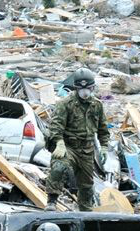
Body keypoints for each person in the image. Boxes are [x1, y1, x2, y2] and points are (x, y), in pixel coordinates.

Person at [45, 68, 107, 211]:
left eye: (88, 88)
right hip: (69, 146)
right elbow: (56, 126)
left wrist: (104, 147)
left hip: (87, 150)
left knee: (87, 185)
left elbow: (103, 129)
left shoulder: (97, 105)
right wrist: (59, 143)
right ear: (76, 88)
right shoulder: (66, 104)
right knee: (59, 166)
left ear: (92, 87)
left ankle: (86, 211)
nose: (84, 92)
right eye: (81, 88)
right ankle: (51, 202)